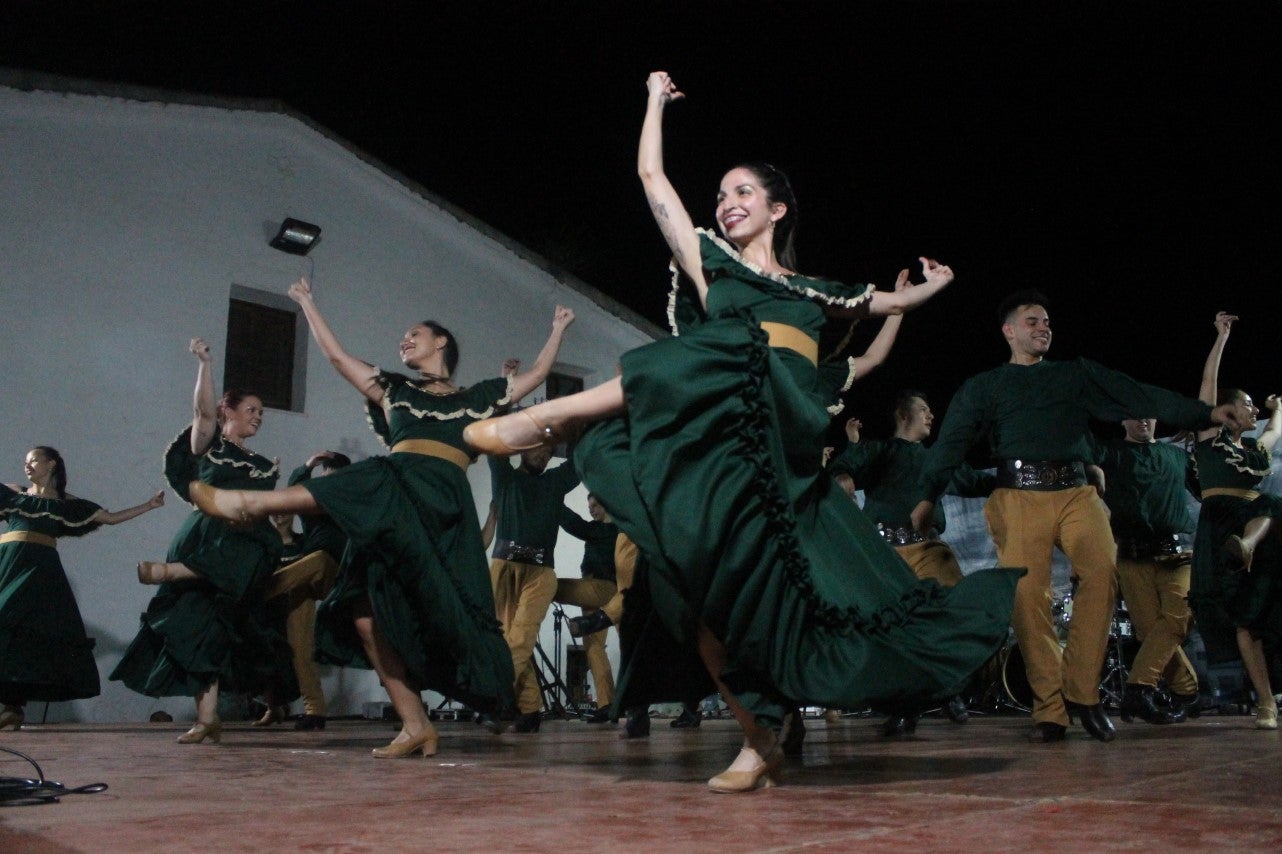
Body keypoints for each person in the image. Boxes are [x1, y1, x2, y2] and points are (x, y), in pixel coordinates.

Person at [465, 71, 1021, 792]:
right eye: (721, 195)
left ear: (777, 208)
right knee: (706, 595)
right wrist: (653, 103)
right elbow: (650, 175)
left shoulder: (816, 291)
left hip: (787, 416)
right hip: (739, 443)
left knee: (734, 341)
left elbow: (885, 303)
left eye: (742, 193)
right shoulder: (711, 264)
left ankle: (550, 416)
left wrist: (933, 287)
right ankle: (760, 737)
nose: (726, 205)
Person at [188, 277, 575, 757]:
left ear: (441, 342)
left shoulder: (477, 396)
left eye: (415, 334)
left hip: (441, 506)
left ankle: (252, 503)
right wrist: (307, 302)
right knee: (365, 615)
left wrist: (558, 329)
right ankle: (415, 724)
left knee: (385, 491)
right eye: (403, 338)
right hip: (398, 498)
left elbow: (535, 374)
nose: (405, 340)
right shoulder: (394, 390)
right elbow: (336, 358)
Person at [913, 292, 1249, 744]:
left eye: (1047, 321)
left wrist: (1205, 412)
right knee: (1028, 596)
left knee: (1102, 573)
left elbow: (1137, 393)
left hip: (1075, 492)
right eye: (1032, 321)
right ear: (1008, 331)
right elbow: (951, 441)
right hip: (1018, 496)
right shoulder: (986, 386)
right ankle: (1050, 710)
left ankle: (1083, 694)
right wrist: (927, 495)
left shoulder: (1075, 374)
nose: (1043, 327)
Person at [111, 339, 298, 745]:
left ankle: (175, 573)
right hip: (207, 537)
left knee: (247, 629)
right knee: (201, 627)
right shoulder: (208, 448)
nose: (259, 418)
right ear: (226, 412)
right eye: (251, 410)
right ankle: (208, 717)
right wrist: (206, 364)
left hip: (247, 542)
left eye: (262, 413)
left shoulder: (263, 464)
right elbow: (201, 411)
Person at [828, 391, 996, 734]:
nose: (931, 415)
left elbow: (976, 480)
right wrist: (843, 473)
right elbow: (848, 466)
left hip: (929, 550)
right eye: (924, 409)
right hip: (886, 556)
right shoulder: (881, 451)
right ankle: (907, 709)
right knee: (892, 634)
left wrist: (1014, 478)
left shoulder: (938, 460)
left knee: (950, 615)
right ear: (903, 416)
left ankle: (945, 690)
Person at [0, 447, 163, 730]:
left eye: (34, 460)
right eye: (25, 461)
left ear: (51, 464)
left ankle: (12, 705)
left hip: (38, 570)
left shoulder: (65, 504)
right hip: (7, 564)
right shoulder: (14, 493)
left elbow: (109, 518)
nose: (27, 465)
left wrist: (148, 506)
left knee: (26, 633)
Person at [1188, 311, 1282, 730]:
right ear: (1226, 410)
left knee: (1271, 503)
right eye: (1246, 405)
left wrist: (1279, 408)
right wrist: (1221, 338)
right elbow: (1207, 390)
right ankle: (1266, 703)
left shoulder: (1254, 453)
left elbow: (1274, 433)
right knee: (1243, 618)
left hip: (1256, 528)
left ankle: (1248, 544)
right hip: (1221, 525)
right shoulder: (1212, 440)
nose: (1252, 410)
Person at [1094, 416, 1199, 725]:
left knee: (1177, 620)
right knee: (1151, 632)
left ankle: (1138, 689)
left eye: (1148, 413)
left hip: (1177, 555)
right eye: (1134, 413)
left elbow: (1211, 490)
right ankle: (1187, 693)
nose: (1142, 419)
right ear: (1122, 419)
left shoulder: (1178, 456)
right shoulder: (1109, 453)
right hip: (1132, 557)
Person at [483, 443, 581, 733]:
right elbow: (495, 445)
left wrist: (572, 424)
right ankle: (530, 710)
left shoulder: (554, 483)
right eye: (538, 449)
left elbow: (581, 460)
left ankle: (495, 700)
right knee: (504, 640)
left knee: (520, 639)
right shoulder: (505, 477)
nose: (543, 455)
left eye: (548, 452)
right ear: (523, 449)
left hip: (540, 572)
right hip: (504, 568)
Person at [258, 450, 353, 731]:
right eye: (325, 476)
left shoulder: (349, 500)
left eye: (333, 476)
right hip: (306, 577)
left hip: (333, 571)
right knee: (299, 646)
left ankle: (256, 592)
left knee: (318, 559)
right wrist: (307, 465)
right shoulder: (312, 499)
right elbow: (291, 493)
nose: (328, 481)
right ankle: (315, 711)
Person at [557, 493, 622, 723]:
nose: (592, 509)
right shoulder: (598, 529)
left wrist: (553, 501)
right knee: (594, 646)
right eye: (589, 506)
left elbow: (576, 526)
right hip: (594, 589)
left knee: (549, 585)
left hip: (603, 589)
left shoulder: (610, 530)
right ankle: (608, 704)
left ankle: (536, 588)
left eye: (596, 505)